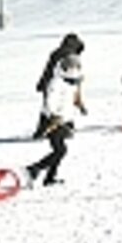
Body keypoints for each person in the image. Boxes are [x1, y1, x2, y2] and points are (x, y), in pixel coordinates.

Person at [26, 53, 87, 186]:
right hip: (52, 121)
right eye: (71, 66)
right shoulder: (56, 82)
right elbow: (50, 101)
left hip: (64, 120)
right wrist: (53, 115)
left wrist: (80, 106)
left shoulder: (73, 83)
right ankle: (35, 168)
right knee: (61, 150)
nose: (74, 69)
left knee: (59, 151)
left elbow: (72, 98)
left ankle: (49, 177)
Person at [33, 33, 85, 139]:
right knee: (58, 107)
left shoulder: (61, 53)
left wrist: (42, 83)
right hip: (57, 83)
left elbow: (48, 69)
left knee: (52, 108)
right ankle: (62, 128)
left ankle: (45, 128)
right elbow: (50, 69)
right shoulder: (65, 54)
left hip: (56, 83)